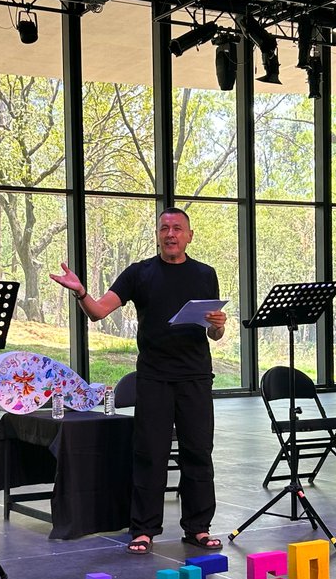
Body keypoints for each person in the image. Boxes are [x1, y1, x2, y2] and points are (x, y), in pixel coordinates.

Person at [49, 208, 228, 554]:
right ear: (158, 235)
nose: (171, 234)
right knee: (150, 454)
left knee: (198, 454)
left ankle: (198, 528)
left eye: (177, 228)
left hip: (195, 378)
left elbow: (215, 334)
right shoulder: (139, 273)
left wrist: (219, 324)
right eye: (164, 228)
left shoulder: (206, 274)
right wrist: (80, 292)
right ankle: (144, 529)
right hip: (154, 379)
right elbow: (99, 312)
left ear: (190, 235)